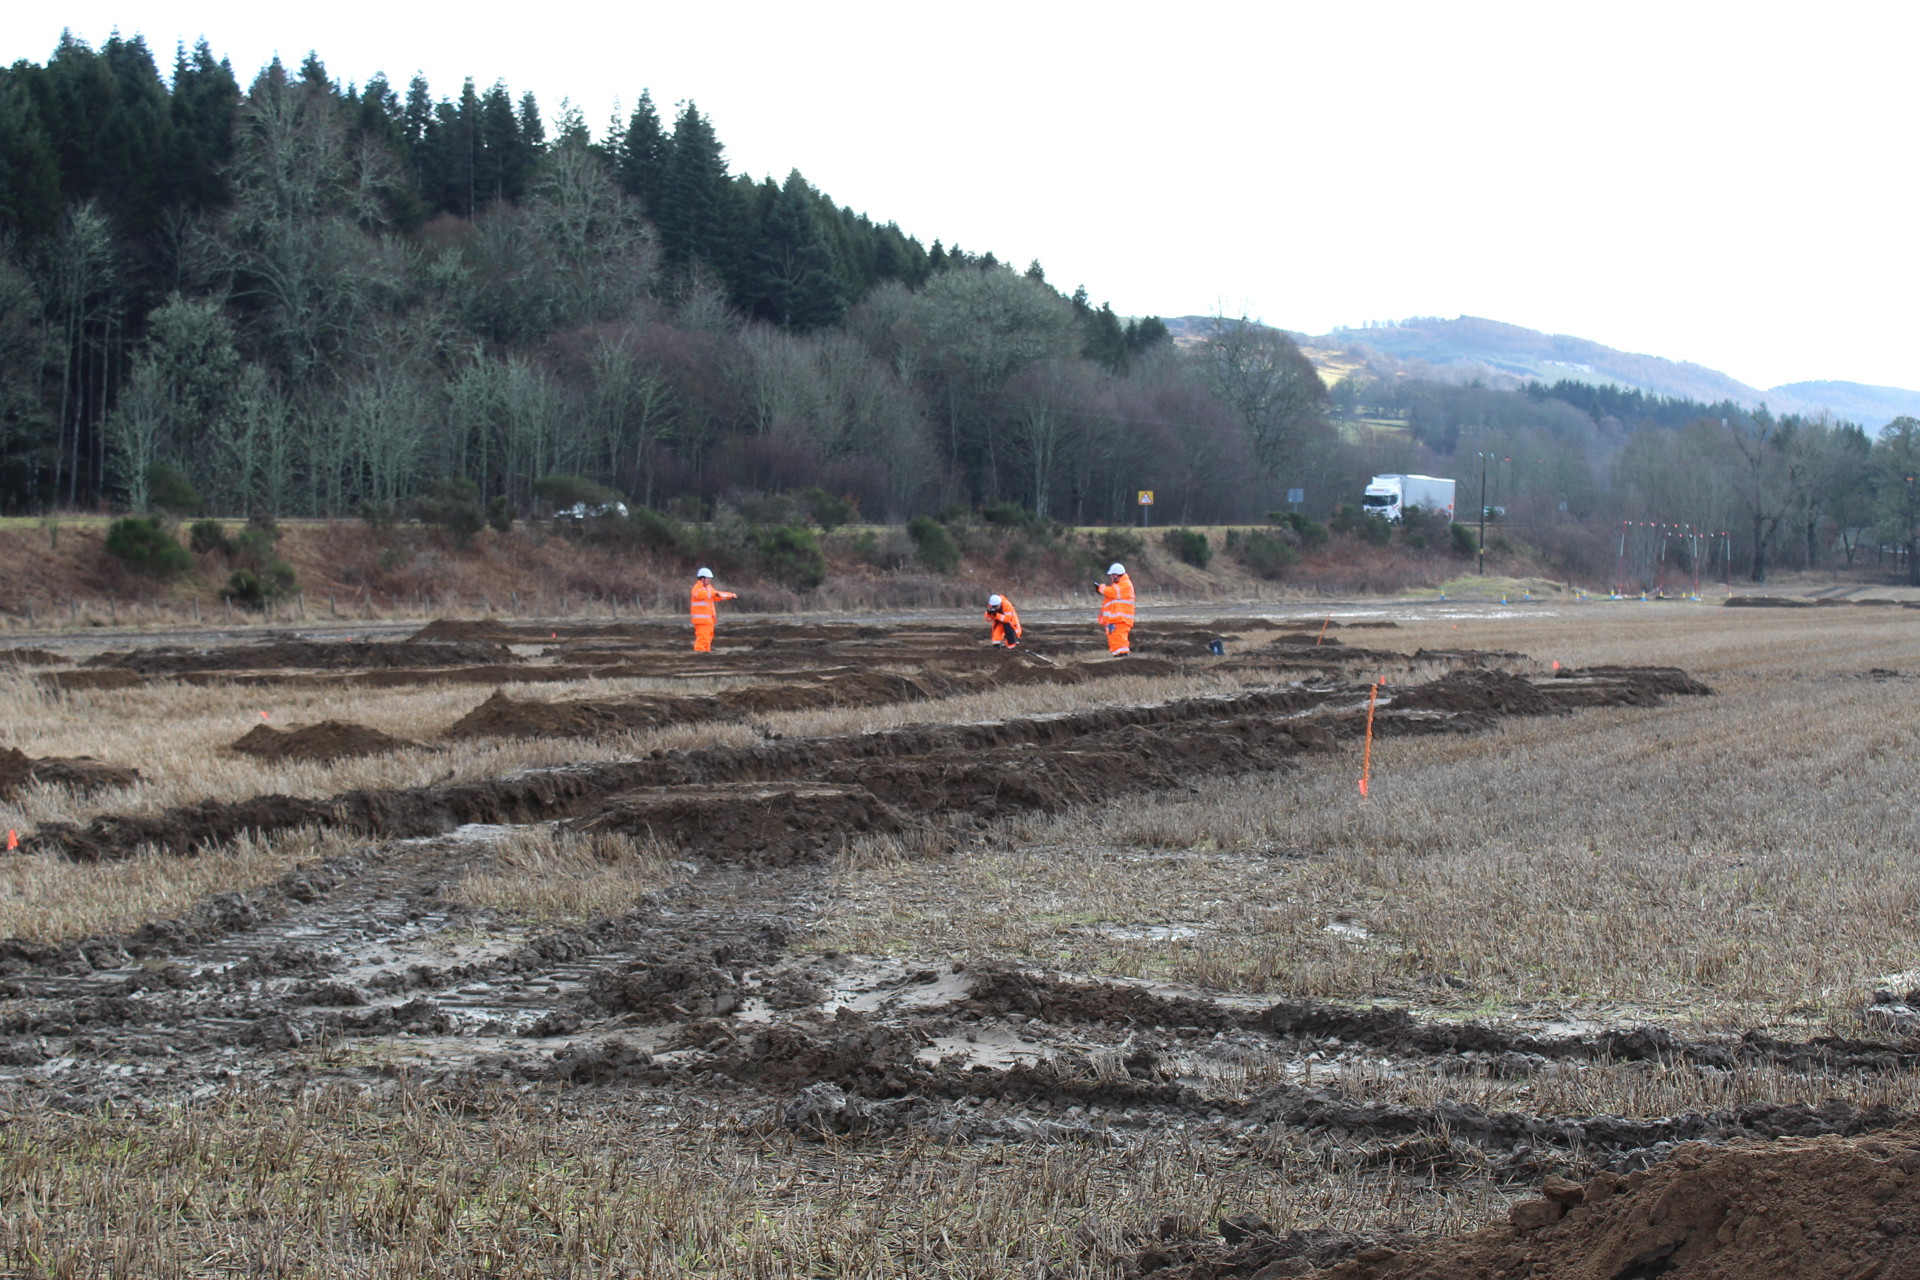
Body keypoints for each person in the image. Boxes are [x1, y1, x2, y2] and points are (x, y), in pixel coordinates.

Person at [689, 567, 736, 653]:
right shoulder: (697, 588)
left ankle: (706, 655)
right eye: (708, 579)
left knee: (708, 640)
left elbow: (717, 596)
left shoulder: (709, 588)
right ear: (702, 578)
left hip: (709, 620)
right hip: (701, 620)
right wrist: (715, 594)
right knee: (702, 639)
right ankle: (699, 656)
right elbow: (701, 595)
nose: (710, 580)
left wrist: (729, 595)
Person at [1096, 561, 1134, 656]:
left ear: (1116, 575)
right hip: (1114, 621)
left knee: (1121, 644)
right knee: (1115, 644)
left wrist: (1101, 588)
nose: (1110, 578)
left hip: (1121, 621)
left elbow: (1111, 592)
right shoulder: (1119, 586)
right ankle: (1119, 661)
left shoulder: (1125, 585)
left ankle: (1123, 661)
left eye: (1111, 575)